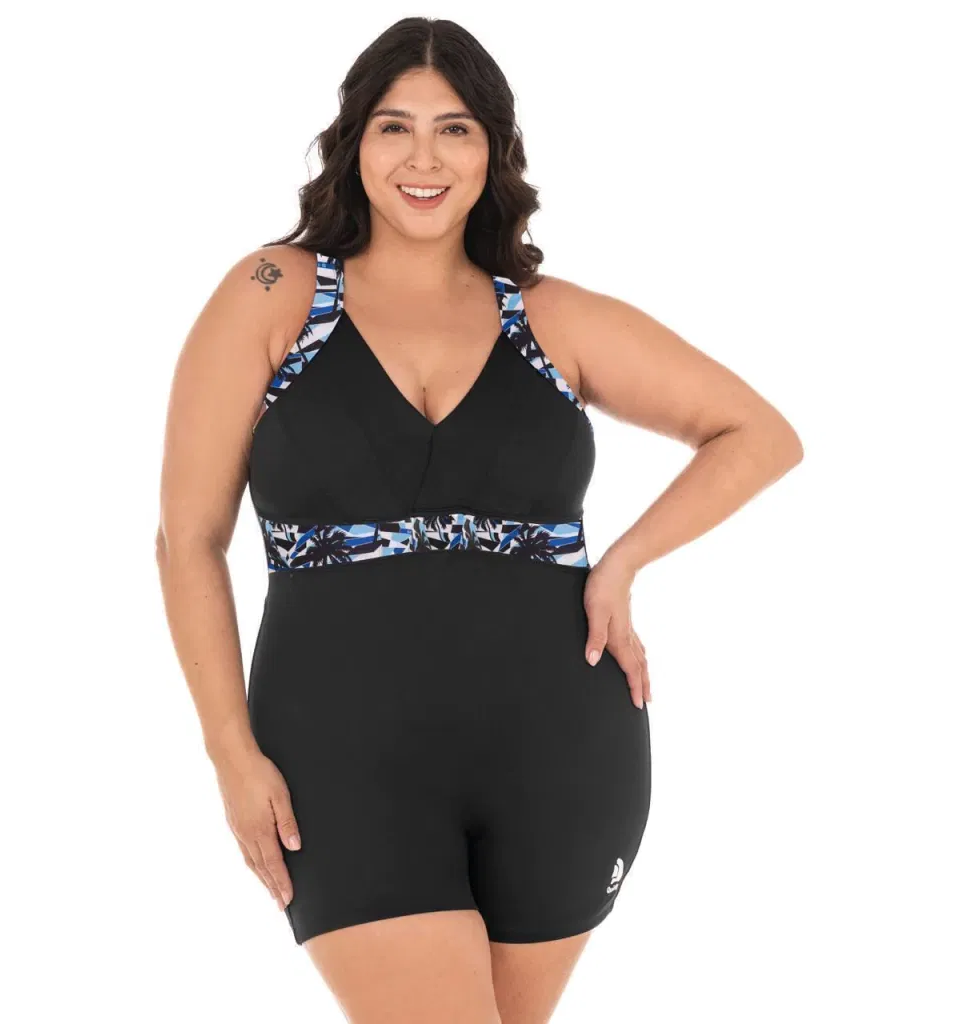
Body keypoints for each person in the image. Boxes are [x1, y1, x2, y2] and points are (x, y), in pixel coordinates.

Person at [155, 16, 803, 1024]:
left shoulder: (547, 315)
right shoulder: (274, 290)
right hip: (341, 756)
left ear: (493, 148)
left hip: (561, 750)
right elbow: (188, 539)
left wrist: (621, 562)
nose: (423, 159)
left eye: (454, 129)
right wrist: (229, 753)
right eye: (394, 127)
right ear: (352, 143)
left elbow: (758, 433)